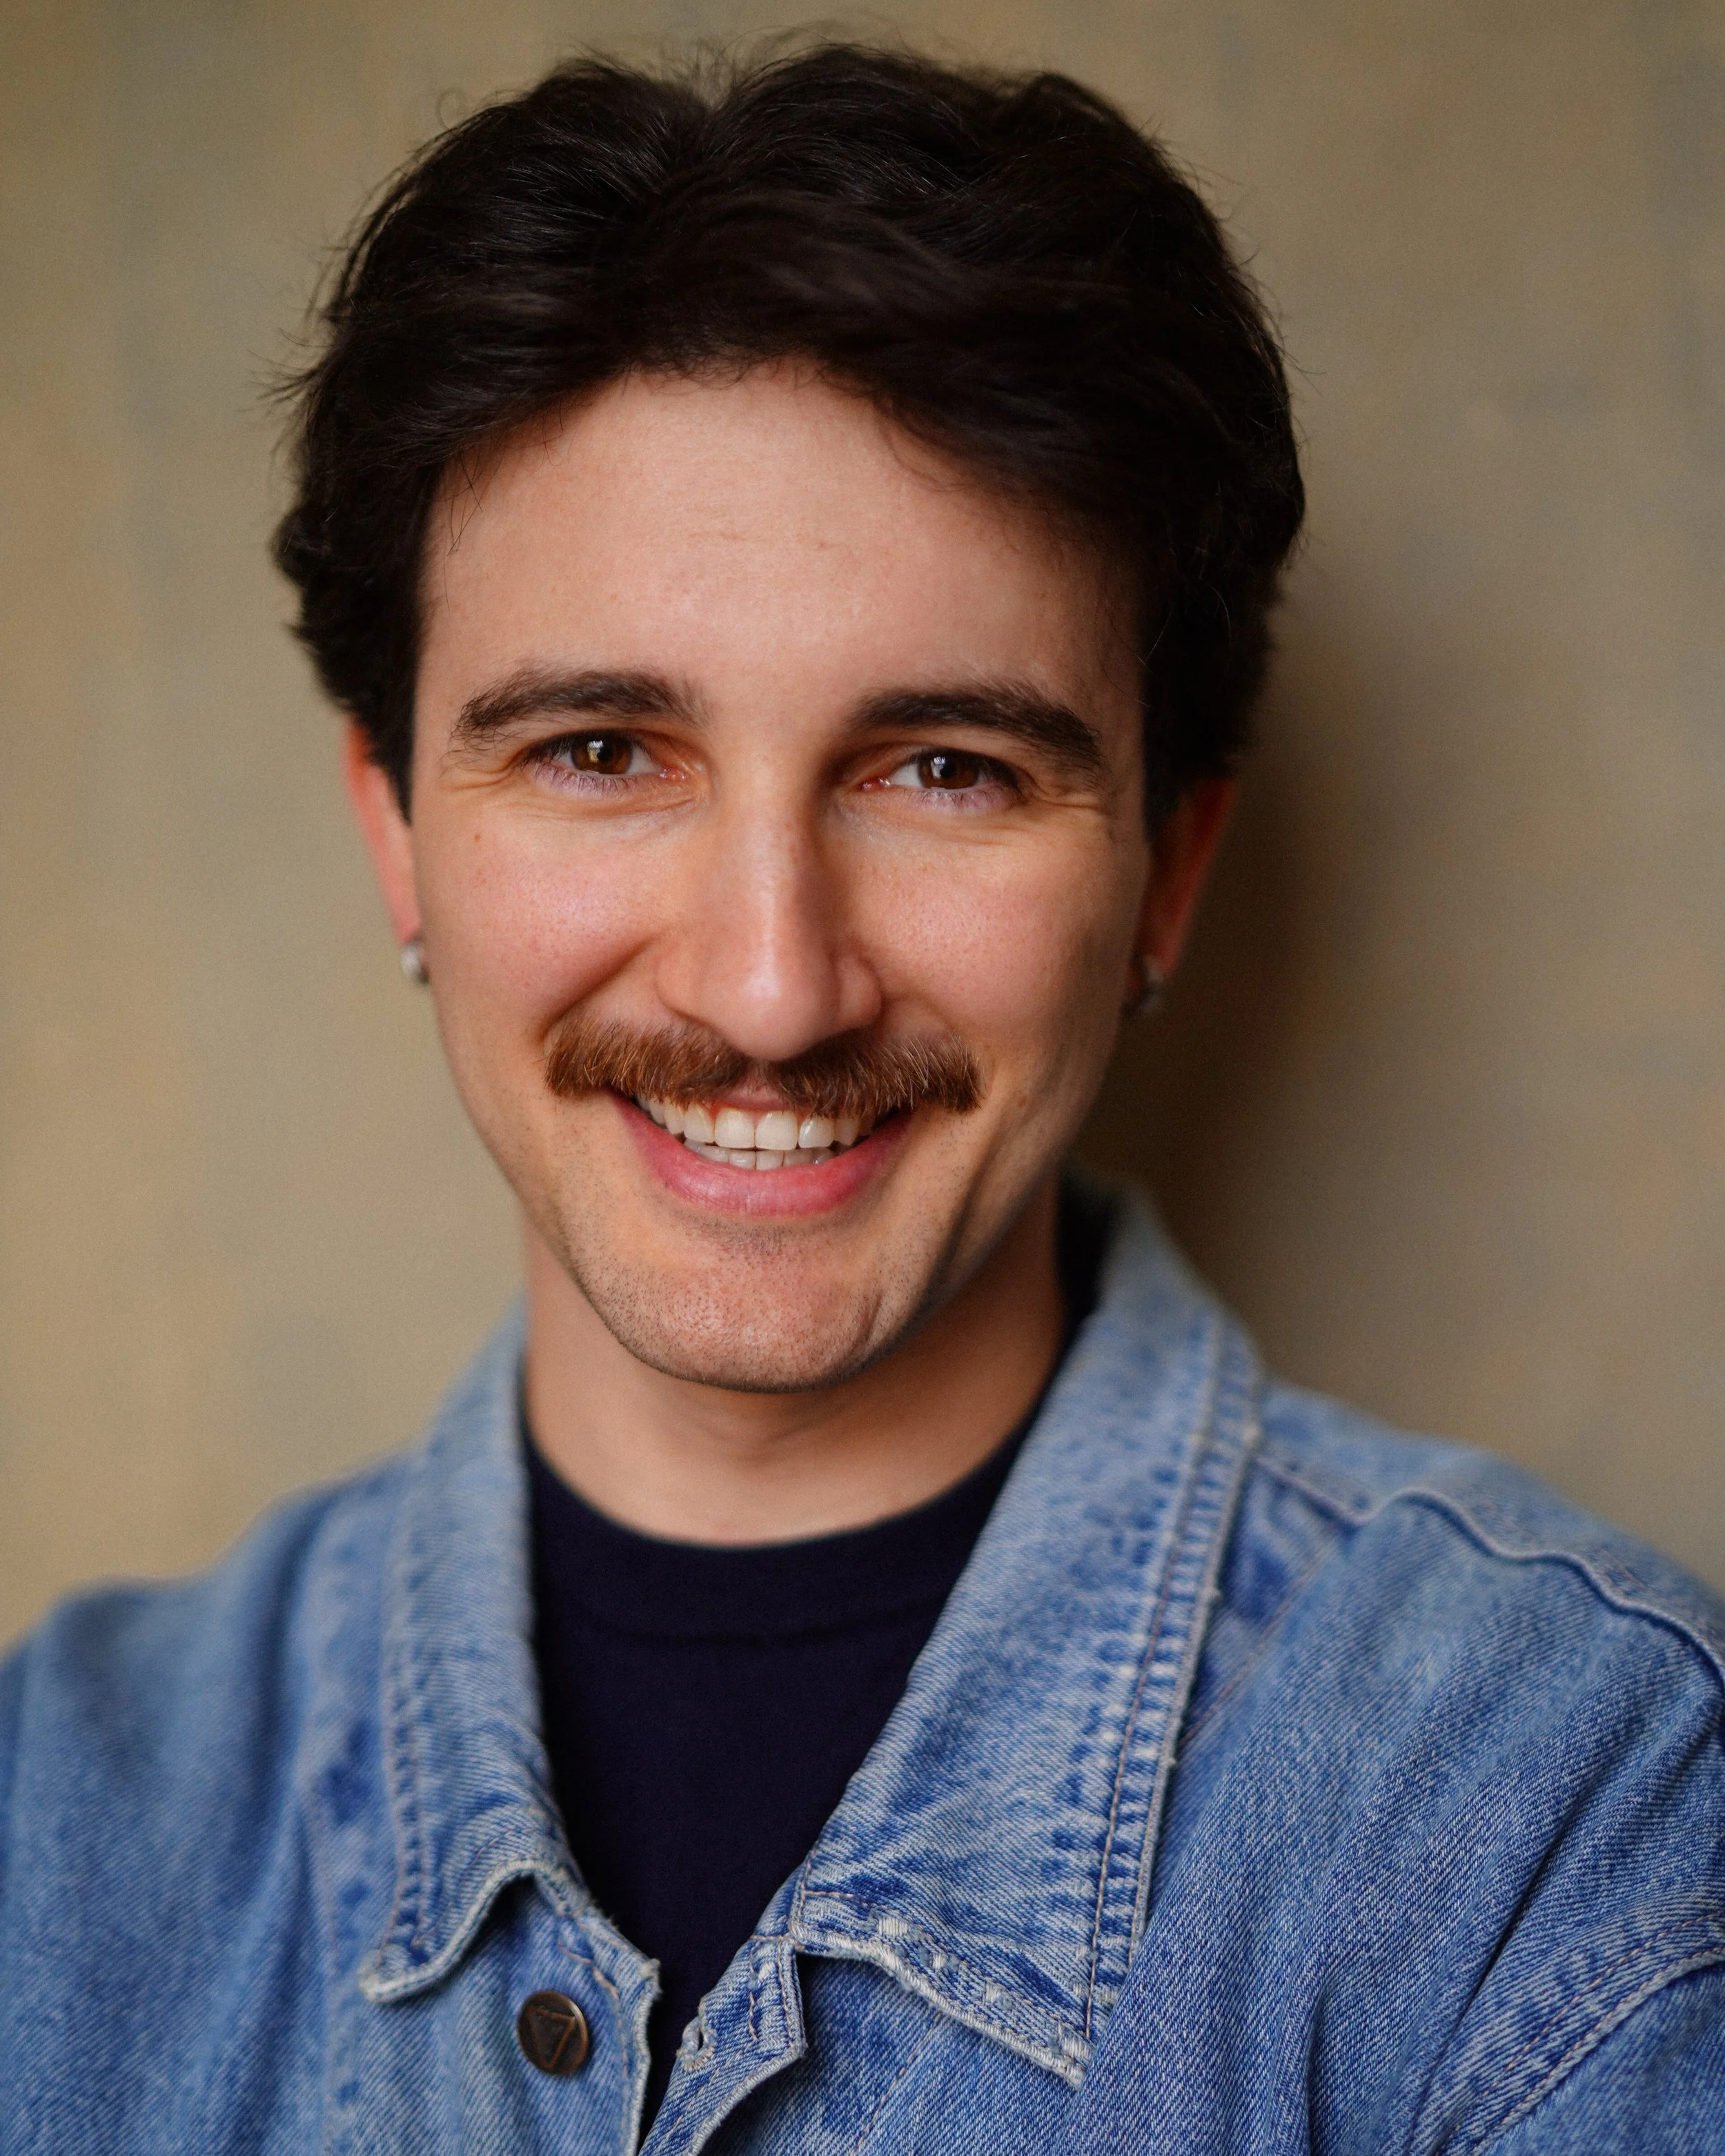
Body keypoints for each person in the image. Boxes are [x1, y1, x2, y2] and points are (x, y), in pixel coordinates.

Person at [1, 42, 1720, 2156]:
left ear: (1167, 870)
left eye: (944, 770)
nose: (767, 983)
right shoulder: (51, 1825)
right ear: (394, 831)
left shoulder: (1572, 1808)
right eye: (602, 751)